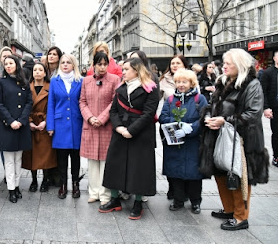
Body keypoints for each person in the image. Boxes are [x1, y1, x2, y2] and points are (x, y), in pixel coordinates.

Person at [199, 49, 269, 231]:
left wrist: (225, 120)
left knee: (238, 176)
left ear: (239, 64)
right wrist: (207, 116)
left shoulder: (252, 84)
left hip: (242, 139)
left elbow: (253, 114)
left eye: (228, 63)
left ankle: (240, 217)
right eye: (224, 63)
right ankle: (229, 209)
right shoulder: (223, 82)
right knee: (221, 173)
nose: (224, 66)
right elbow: (211, 104)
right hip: (220, 135)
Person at [99, 58, 159, 220]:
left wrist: (131, 131)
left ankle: (138, 203)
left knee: (139, 168)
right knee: (115, 165)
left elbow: (148, 113)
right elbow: (113, 111)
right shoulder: (121, 88)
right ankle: (114, 199)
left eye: (126, 69)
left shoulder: (150, 89)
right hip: (120, 131)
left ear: (137, 70)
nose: (122, 72)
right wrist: (119, 127)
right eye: (122, 69)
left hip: (140, 133)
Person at [159, 69, 208, 214]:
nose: (181, 85)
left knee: (194, 175)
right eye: (178, 82)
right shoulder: (170, 99)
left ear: (191, 83)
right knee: (176, 173)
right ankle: (178, 200)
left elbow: (204, 118)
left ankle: (195, 201)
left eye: (184, 82)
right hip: (175, 143)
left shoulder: (200, 99)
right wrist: (178, 124)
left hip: (193, 143)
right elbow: (163, 117)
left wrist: (191, 128)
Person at [79, 52, 119, 205]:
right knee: (92, 162)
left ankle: (105, 194)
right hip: (90, 125)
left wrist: (101, 118)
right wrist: (90, 117)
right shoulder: (86, 81)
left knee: (105, 161)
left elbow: (114, 102)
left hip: (106, 126)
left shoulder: (114, 80)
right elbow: (82, 102)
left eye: (105, 64)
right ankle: (93, 192)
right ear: (93, 65)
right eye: (99, 64)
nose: (102, 67)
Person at [0, 55, 32, 203]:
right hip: (7, 126)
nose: (8, 66)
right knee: (9, 160)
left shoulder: (24, 82)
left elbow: (29, 102)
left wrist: (21, 121)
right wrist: (10, 121)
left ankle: (17, 186)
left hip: (21, 126)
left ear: (17, 64)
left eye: (11, 63)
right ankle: (11, 189)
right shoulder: (1, 82)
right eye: (6, 64)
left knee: (18, 159)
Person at [47, 54, 83, 199]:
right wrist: (50, 126)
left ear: (73, 65)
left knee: (75, 157)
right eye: (63, 62)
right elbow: (51, 104)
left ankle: (75, 184)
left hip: (76, 124)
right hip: (60, 124)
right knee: (61, 158)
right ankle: (62, 185)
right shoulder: (54, 81)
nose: (65, 65)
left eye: (68, 62)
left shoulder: (81, 81)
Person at [22, 63, 57, 192]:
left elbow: (53, 106)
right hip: (31, 125)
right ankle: (34, 180)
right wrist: (29, 121)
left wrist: (46, 122)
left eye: (40, 70)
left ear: (44, 73)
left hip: (44, 124)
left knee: (45, 155)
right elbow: (24, 106)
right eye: (35, 70)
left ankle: (45, 180)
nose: (37, 72)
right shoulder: (27, 87)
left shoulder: (50, 87)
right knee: (31, 155)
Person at [260, 50, 278, 167]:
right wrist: (266, 107)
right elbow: (263, 91)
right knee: (276, 133)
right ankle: (276, 156)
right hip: (275, 108)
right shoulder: (268, 73)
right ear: (275, 58)